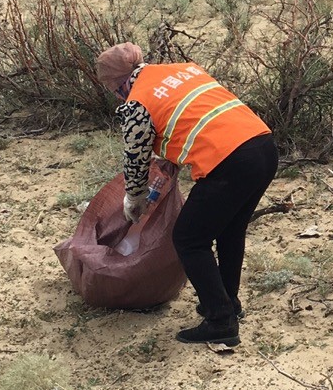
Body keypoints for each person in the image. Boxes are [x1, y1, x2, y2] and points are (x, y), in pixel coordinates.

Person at [94, 43, 277, 347]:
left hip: (229, 162)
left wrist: (134, 198)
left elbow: (135, 158)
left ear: (117, 83)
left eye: (113, 89)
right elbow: (191, 117)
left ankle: (220, 321)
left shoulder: (137, 101)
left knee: (189, 239)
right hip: (263, 147)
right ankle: (227, 303)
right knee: (230, 229)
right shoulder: (182, 69)